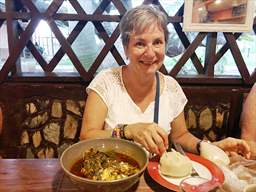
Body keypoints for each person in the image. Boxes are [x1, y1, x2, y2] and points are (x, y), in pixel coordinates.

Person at [80, 4, 250, 159]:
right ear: (126, 48)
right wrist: (128, 131)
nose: (150, 52)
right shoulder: (107, 82)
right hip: (111, 176)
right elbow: (87, 136)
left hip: (154, 178)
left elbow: (180, 136)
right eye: (140, 44)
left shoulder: (171, 88)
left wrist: (209, 147)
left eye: (157, 42)